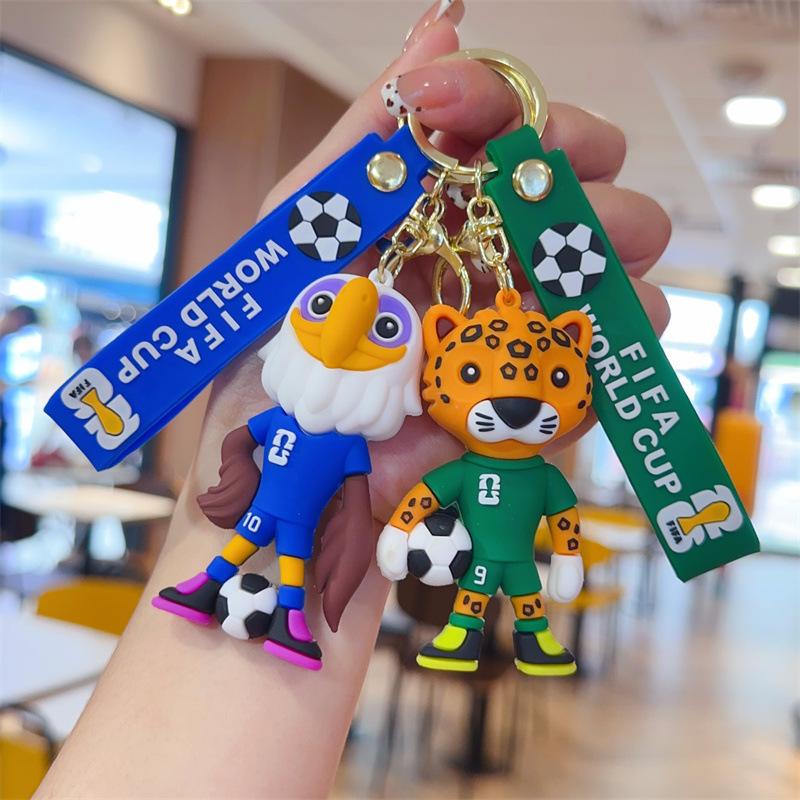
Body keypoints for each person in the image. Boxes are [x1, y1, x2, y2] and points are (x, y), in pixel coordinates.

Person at [36, 2, 671, 797]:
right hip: (273, 517)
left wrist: (404, 526)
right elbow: (269, 453)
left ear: (421, 353)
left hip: (330, 531)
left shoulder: (366, 447)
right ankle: (220, 594)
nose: (345, 337)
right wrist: (229, 475)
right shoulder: (301, 414)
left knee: (308, 567)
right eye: (321, 310)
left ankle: (296, 619)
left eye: (384, 331)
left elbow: (392, 501)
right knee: (247, 553)